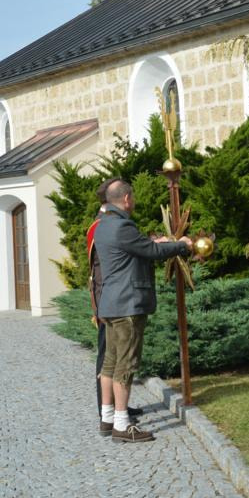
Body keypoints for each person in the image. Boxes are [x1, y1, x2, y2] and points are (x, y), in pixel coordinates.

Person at [95, 179, 192, 442]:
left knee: (110, 363)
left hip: (111, 304)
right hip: (128, 304)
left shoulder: (103, 225)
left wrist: (155, 242)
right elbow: (151, 251)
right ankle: (122, 425)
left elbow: (136, 249)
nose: (134, 201)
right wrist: (183, 244)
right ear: (127, 199)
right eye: (133, 197)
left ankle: (107, 418)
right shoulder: (123, 226)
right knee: (125, 365)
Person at [87, 177, 144, 424]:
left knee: (113, 357)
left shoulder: (105, 223)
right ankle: (108, 411)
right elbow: (99, 271)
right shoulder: (101, 226)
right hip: (110, 299)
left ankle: (115, 410)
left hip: (109, 298)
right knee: (109, 357)